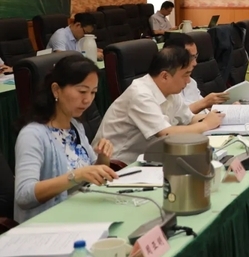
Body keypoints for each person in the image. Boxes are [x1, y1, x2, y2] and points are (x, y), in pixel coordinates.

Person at [14, 55, 118, 223]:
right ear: (56, 90)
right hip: (49, 223)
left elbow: (92, 175)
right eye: (82, 91)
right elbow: (24, 195)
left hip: (84, 214)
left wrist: (103, 158)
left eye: (93, 92)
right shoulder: (32, 135)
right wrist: (75, 176)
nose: (88, 100)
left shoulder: (75, 126)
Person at [93, 46, 225, 165]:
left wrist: (221, 116)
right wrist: (206, 124)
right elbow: (166, 134)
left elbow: (189, 119)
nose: (189, 80)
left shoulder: (170, 91)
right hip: (116, 165)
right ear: (165, 76)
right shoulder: (140, 94)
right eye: (186, 75)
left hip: (148, 160)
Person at [163, 34, 229, 114]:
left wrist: (228, 109)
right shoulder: (167, 88)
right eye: (191, 57)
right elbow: (180, 116)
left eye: (195, 57)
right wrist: (205, 102)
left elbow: (205, 108)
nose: (195, 63)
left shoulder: (191, 82)